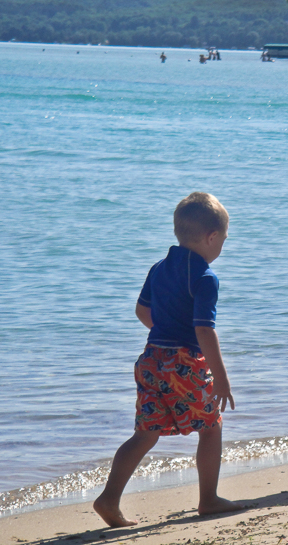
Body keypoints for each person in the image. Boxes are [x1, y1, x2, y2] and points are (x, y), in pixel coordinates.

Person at [93, 192, 241, 527]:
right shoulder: (205, 277)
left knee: (145, 433)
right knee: (211, 427)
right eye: (224, 241)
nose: (222, 248)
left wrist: (166, 331)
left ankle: (109, 498)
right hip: (184, 363)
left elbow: (142, 311)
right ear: (212, 237)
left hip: (151, 359)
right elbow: (204, 331)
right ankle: (209, 499)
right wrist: (221, 376)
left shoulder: (159, 268)